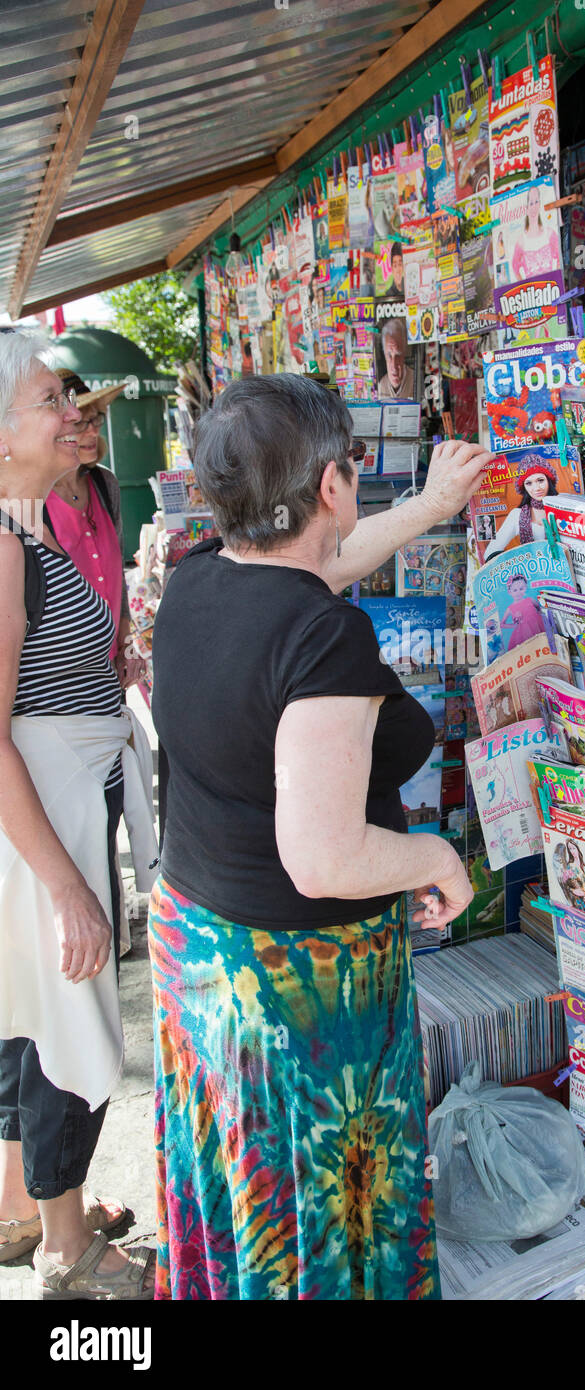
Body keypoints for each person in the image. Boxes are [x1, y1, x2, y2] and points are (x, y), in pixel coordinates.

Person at [148, 373, 493, 1300]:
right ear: (334, 486)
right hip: (297, 993)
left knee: (246, 1189)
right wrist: (435, 857)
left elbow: (316, 571)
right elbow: (326, 856)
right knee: (319, 1213)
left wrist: (430, 506)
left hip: (206, 968)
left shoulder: (199, 583)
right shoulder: (323, 638)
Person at [0, 332, 157, 1297]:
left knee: (34, 1020)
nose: (73, 412)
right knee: (66, 1020)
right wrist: (67, 887)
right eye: (51, 398)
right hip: (44, 814)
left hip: (55, 799)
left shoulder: (25, 531)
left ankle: (37, 1212)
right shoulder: (5, 547)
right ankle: (66, 1249)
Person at [46, 371, 147, 689]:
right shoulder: (34, 496)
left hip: (112, 666)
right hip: (61, 675)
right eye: (80, 423)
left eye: (97, 420)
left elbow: (117, 577)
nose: (91, 431)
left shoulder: (105, 483)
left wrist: (128, 645)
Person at [483, 462, 560, 559]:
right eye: (529, 483)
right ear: (524, 487)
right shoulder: (517, 515)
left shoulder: (562, 508)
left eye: (540, 480)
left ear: (549, 481)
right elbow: (490, 552)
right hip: (532, 570)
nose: (536, 488)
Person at [509, 183, 560, 281]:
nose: (534, 207)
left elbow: (559, 259)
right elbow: (515, 267)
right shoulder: (521, 241)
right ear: (526, 208)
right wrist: (523, 287)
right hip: (533, 291)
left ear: (540, 204)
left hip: (551, 289)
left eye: (536, 202)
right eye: (531, 203)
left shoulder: (549, 233)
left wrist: (556, 280)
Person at [499, 570, 546, 650]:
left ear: (525, 587)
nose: (518, 592)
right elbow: (502, 624)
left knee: (543, 642)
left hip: (537, 625)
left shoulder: (530, 600)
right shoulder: (510, 608)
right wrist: (513, 625)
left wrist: (539, 615)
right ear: (509, 592)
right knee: (528, 647)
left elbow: (539, 607)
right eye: (515, 590)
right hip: (522, 632)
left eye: (521, 589)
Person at [377, 316, 413, 399]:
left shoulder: (415, 381)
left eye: (398, 355)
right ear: (384, 355)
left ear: (404, 353)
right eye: (389, 355)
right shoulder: (380, 387)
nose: (394, 366)